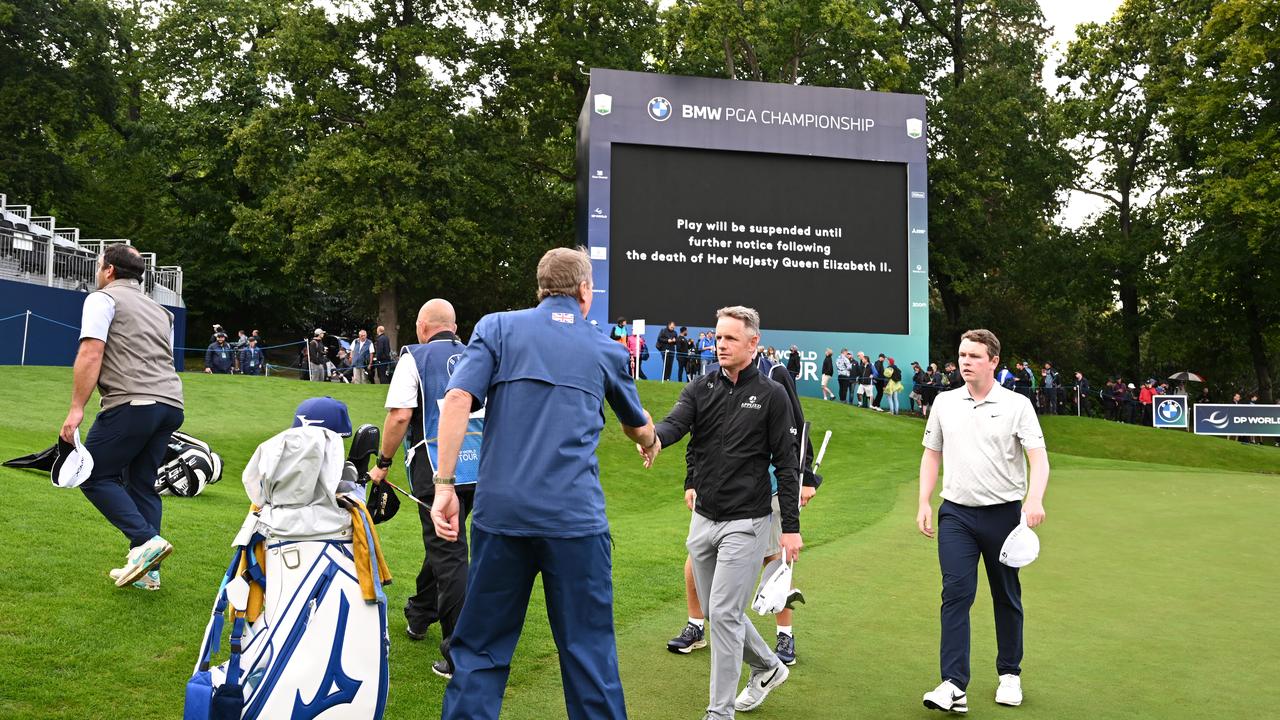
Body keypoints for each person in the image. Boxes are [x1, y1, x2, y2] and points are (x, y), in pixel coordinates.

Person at [429, 247, 658, 720]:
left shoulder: (496, 327)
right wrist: (651, 439)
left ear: (540, 289)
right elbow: (638, 428)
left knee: (480, 651)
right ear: (584, 291)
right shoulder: (607, 350)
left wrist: (445, 485)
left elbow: (456, 401)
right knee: (589, 653)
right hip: (575, 524)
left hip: (501, 517)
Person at [650, 306, 801, 720]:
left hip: (747, 522)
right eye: (718, 337)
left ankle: (719, 713)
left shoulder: (771, 395)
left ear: (753, 343)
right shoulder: (701, 388)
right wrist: (652, 437)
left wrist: (790, 528)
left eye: (731, 338)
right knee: (723, 612)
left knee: (724, 615)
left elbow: (787, 464)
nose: (721, 344)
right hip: (704, 520)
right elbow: (675, 426)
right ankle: (769, 667)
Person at [917, 329, 1049, 713]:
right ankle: (953, 684)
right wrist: (924, 500)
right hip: (956, 513)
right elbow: (931, 455)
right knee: (955, 593)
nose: (965, 361)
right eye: (962, 355)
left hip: (1004, 515)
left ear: (993, 361)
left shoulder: (1017, 404)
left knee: (1006, 594)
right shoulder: (944, 401)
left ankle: (1010, 674)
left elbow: (1037, 458)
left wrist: (1035, 497)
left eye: (975, 356)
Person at [60, 244, 184, 590]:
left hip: (133, 402)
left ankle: (147, 542)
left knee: (93, 475)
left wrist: (76, 409)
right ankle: (148, 572)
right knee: (141, 484)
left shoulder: (102, 299)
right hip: (171, 404)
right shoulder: (162, 312)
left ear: (109, 270)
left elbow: (91, 351)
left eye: (101, 265)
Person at [368, 299, 479, 679]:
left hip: (436, 468)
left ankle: (458, 653)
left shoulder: (414, 357)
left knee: (449, 555)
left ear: (421, 326)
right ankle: (420, 613)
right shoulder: (476, 353)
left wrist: (382, 464)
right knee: (445, 547)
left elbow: (400, 415)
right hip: (481, 466)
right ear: (454, 325)